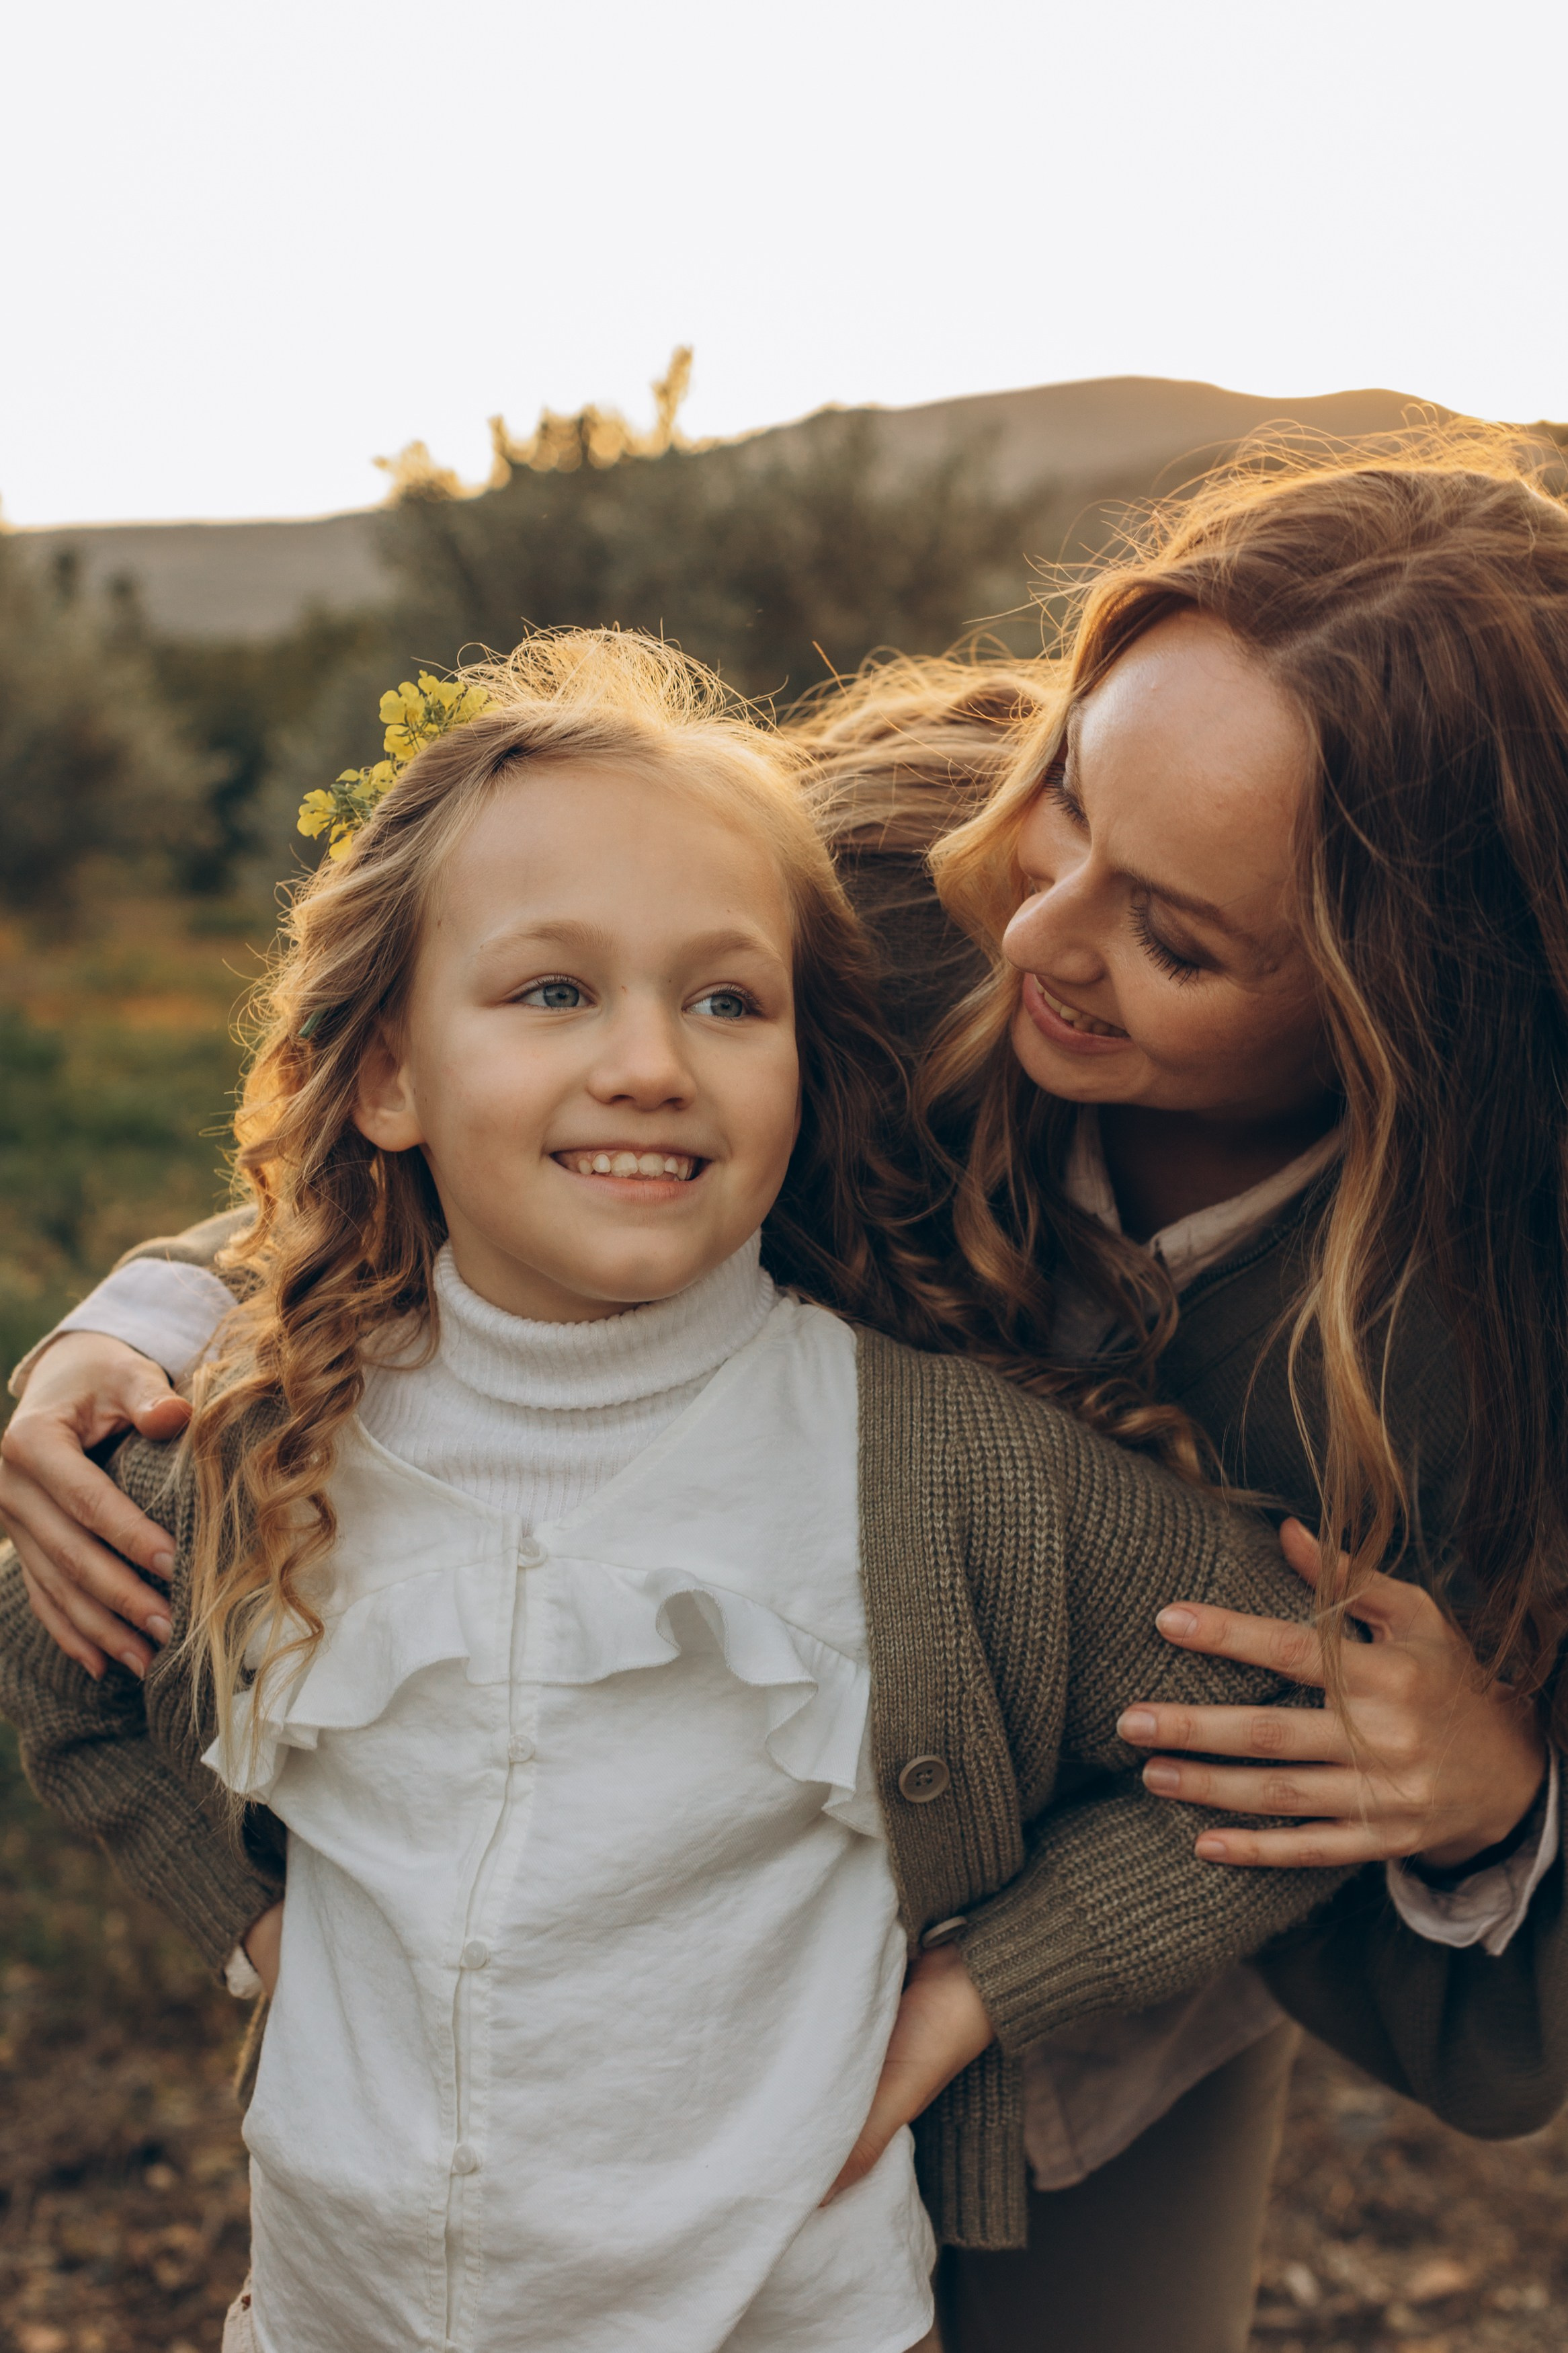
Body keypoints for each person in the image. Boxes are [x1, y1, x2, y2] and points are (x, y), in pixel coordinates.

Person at [0, 632, 1341, 2353]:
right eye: (552, 990)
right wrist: (263, 1938)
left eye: (726, 999)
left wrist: (980, 1991)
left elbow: (1273, 1720)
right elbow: (59, 1678)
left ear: (803, 1058)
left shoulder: (942, 1472)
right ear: (389, 1076)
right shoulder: (265, 1439)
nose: (651, 1061)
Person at [899, 434, 1567, 2349]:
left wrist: (1486, 1795)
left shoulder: (1498, 1334)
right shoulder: (833, 907)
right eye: (1064, 800)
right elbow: (444, 1113)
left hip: (1108, 2060)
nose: (1033, 930)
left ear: (1412, 1010)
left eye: (1173, 940)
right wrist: (168, 1318)